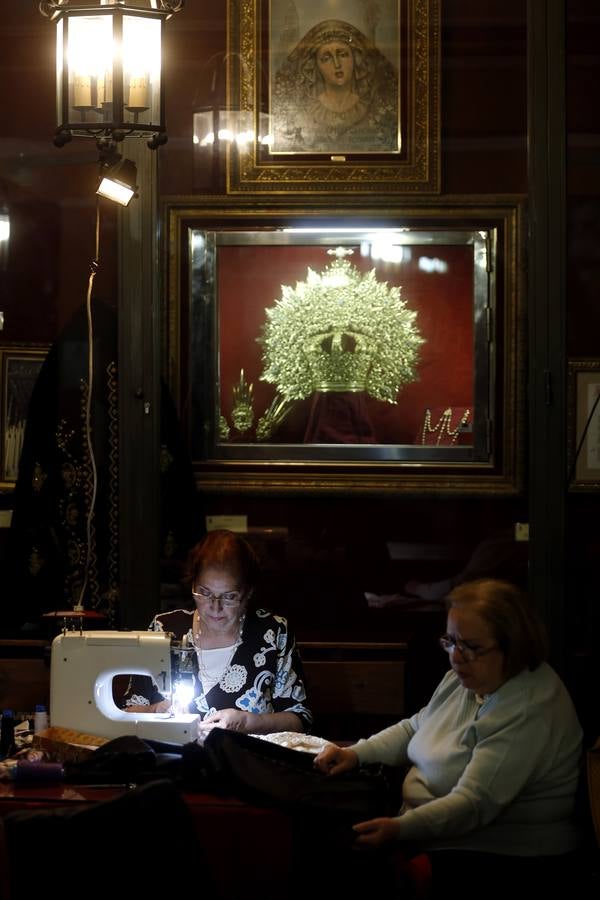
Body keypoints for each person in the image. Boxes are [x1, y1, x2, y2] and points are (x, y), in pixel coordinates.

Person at [314, 578, 583, 895]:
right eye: (451, 641)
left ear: (514, 645)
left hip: (504, 856)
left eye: (472, 647)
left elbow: (473, 805)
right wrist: (357, 753)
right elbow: (416, 727)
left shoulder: (527, 706)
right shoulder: (469, 677)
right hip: (434, 831)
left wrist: (400, 830)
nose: (457, 656)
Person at [120, 529, 312, 737]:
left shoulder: (274, 634)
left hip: (244, 765)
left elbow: (300, 719)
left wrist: (250, 722)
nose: (215, 607)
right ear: (193, 584)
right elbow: (129, 711)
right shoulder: (164, 629)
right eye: (204, 592)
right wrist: (154, 711)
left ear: (248, 592)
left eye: (229, 596)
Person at [272, 19, 398, 153]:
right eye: (326, 58)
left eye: (343, 55)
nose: (337, 64)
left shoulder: (377, 106)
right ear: (314, 67)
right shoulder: (304, 110)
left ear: (356, 59)